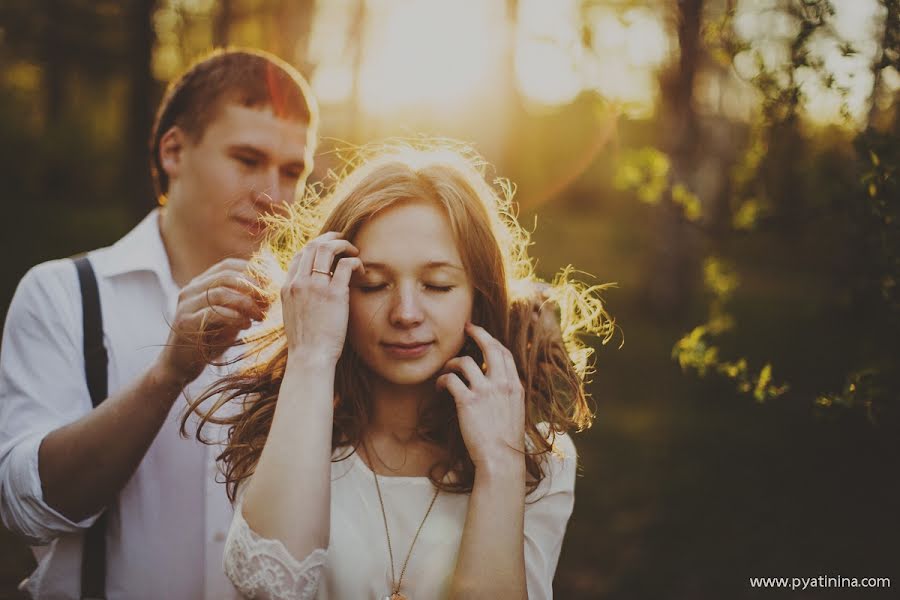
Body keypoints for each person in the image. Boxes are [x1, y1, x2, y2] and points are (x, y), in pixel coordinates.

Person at [185, 145, 614, 599]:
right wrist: (311, 358)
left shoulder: (537, 455)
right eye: (372, 285)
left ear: (479, 293)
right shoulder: (283, 415)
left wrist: (500, 465)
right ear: (334, 289)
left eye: (437, 285)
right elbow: (268, 584)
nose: (406, 313)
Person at [0, 48, 317, 599]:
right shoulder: (64, 294)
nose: (274, 195)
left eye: (292, 171)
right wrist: (166, 374)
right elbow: (29, 509)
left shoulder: (315, 315)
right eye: (247, 158)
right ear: (174, 150)